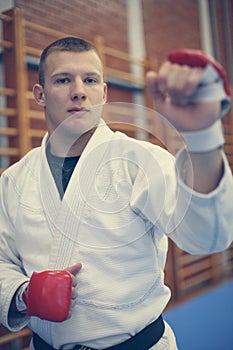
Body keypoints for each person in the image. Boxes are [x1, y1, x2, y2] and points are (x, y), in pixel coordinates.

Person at [0, 36, 233, 350]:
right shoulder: (15, 179)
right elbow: (2, 260)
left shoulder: (140, 161)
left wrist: (201, 138)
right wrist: (23, 294)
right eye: (63, 79)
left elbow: (208, 238)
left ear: (104, 93)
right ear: (40, 95)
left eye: (91, 80)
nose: (79, 90)